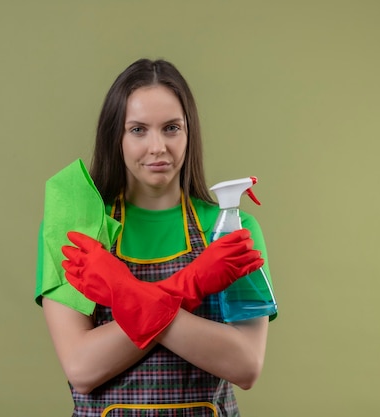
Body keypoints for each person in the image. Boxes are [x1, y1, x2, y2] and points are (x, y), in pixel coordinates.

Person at [37, 58, 276, 416]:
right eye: (138, 130)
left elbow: (245, 365)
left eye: (171, 128)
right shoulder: (78, 229)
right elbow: (82, 368)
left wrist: (125, 293)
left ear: (189, 132)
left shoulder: (231, 230)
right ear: (114, 135)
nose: (157, 147)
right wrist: (189, 284)